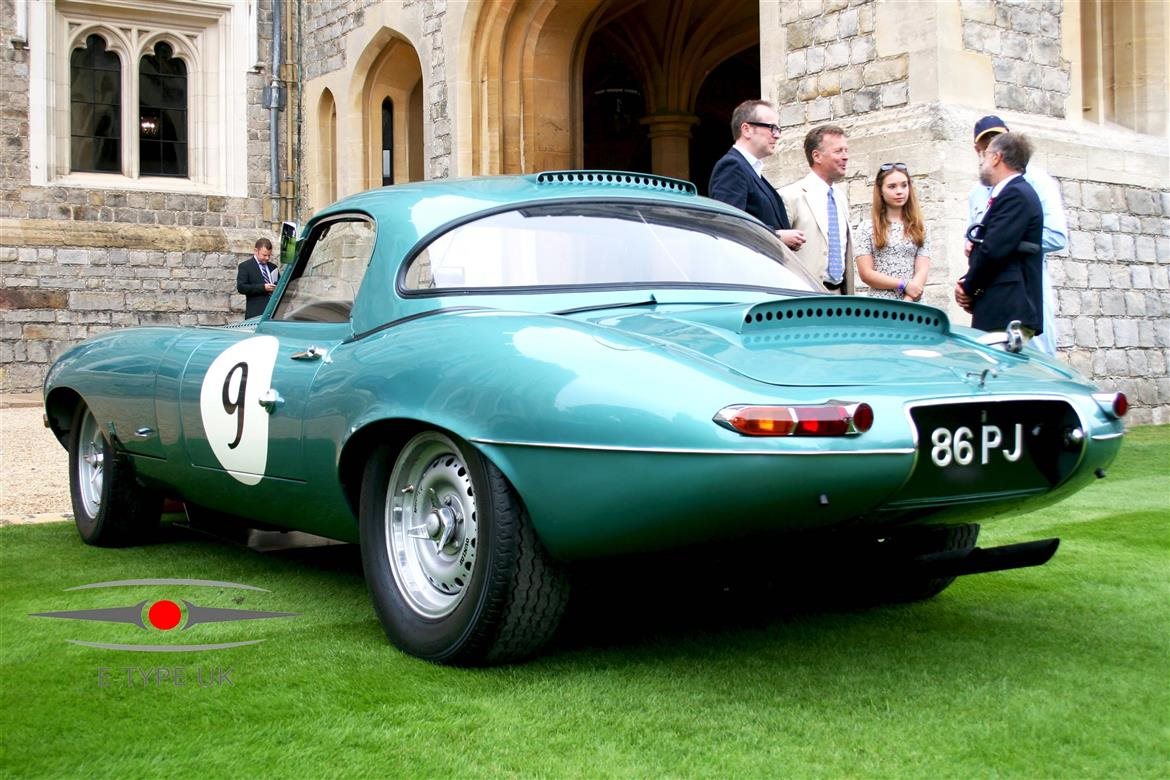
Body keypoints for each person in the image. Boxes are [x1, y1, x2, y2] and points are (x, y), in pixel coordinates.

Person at [965, 115, 1067, 353]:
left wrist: (1006, 239)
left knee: (1034, 356)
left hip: (1022, 284)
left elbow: (1055, 236)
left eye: (996, 142)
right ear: (978, 149)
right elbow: (976, 240)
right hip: (991, 289)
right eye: (985, 144)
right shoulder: (977, 192)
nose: (989, 150)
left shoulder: (1028, 185)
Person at [954, 132, 1044, 336]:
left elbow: (993, 250)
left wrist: (968, 289)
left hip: (1008, 308)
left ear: (996, 157)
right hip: (1000, 308)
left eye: (985, 155)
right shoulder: (1010, 193)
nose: (982, 162)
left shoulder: (1016, 194)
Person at [708, 100, 806, 250]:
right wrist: (778, 237)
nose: (777, 135)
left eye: (778, 129)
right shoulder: (732, 166)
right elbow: (729, 225)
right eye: (772, 128)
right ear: (746, 129)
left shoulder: (750, 169)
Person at [779, 124, 854, 294]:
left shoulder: (840, 198)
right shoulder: (791, 196)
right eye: (838, 151)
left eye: (846, 150)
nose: (845, 157)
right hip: (804, 297)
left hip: (839, 295)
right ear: (817, 156)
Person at [855, 162, 931, 301]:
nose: (899, 191)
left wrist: (907, 301)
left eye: (904, 185)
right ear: (880, 191)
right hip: (881, 304)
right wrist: (903, 284)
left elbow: (922, 270)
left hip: (912, 303)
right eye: (892, 186)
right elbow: (866, 274)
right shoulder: (866, 228)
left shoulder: (920, 227)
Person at [236, 237, 279, 318]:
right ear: (256, 251)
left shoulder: (273, 267)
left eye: (269, 255)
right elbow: (241, 287)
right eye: (264, 255)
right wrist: (263, 287)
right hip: (256, 313)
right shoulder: (245, 266)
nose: (267, 258)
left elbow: (279, 284)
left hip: (274, 313)